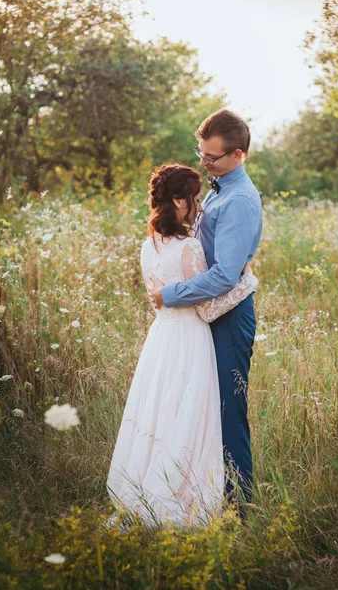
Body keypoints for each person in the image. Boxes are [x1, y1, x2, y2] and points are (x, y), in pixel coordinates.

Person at [106, 163, 258, 528]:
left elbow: (156, 297)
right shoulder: (189, 247)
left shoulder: (148, 244)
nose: (199, 206)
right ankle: (183, 495)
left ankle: (148, 486)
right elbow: (207, 309)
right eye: (193, 199)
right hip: (190, 339)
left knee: (161, 412)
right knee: (190, 414)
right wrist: (247, 283)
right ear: (178, 201)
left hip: (161, 339)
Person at [149, 110, 263, 517]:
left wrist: (170, 293)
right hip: (205, 316)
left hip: (229, 317)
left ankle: (238, 510)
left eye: (212, 158)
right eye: (200, 154)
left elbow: (224, 276)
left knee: (228, 413)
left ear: (238, 155)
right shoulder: (216, 189)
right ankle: (200, 495)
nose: (204, 163)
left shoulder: (241, 200)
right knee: (201, 408)